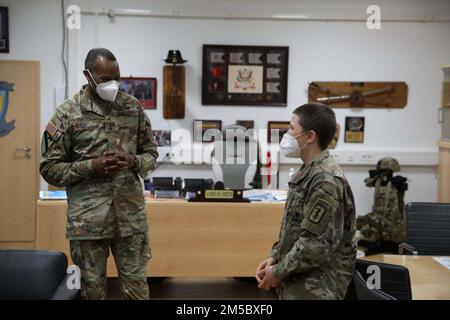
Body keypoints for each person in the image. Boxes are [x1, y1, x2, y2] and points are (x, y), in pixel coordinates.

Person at [40, 48, 159, 300]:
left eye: (117, 77)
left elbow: (151, 156)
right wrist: (91, 166)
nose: (113, 84)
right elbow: (49, 169)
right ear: (87, 75)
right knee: (91, 293)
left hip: (130, 220)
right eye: (105, 79)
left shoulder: (132, 108)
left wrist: (132, 160)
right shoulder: (67, 114)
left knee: (137, 292)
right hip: (88, 223)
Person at [255, 103, 356, 300]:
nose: (287, 133)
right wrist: (274, 256)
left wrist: (278, 271)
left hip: (317, 286)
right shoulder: (308, 172)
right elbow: (293, 229)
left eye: (292, 128)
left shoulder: (325, 180)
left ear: (309, 137)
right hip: (300, 279)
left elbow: (314, 246)